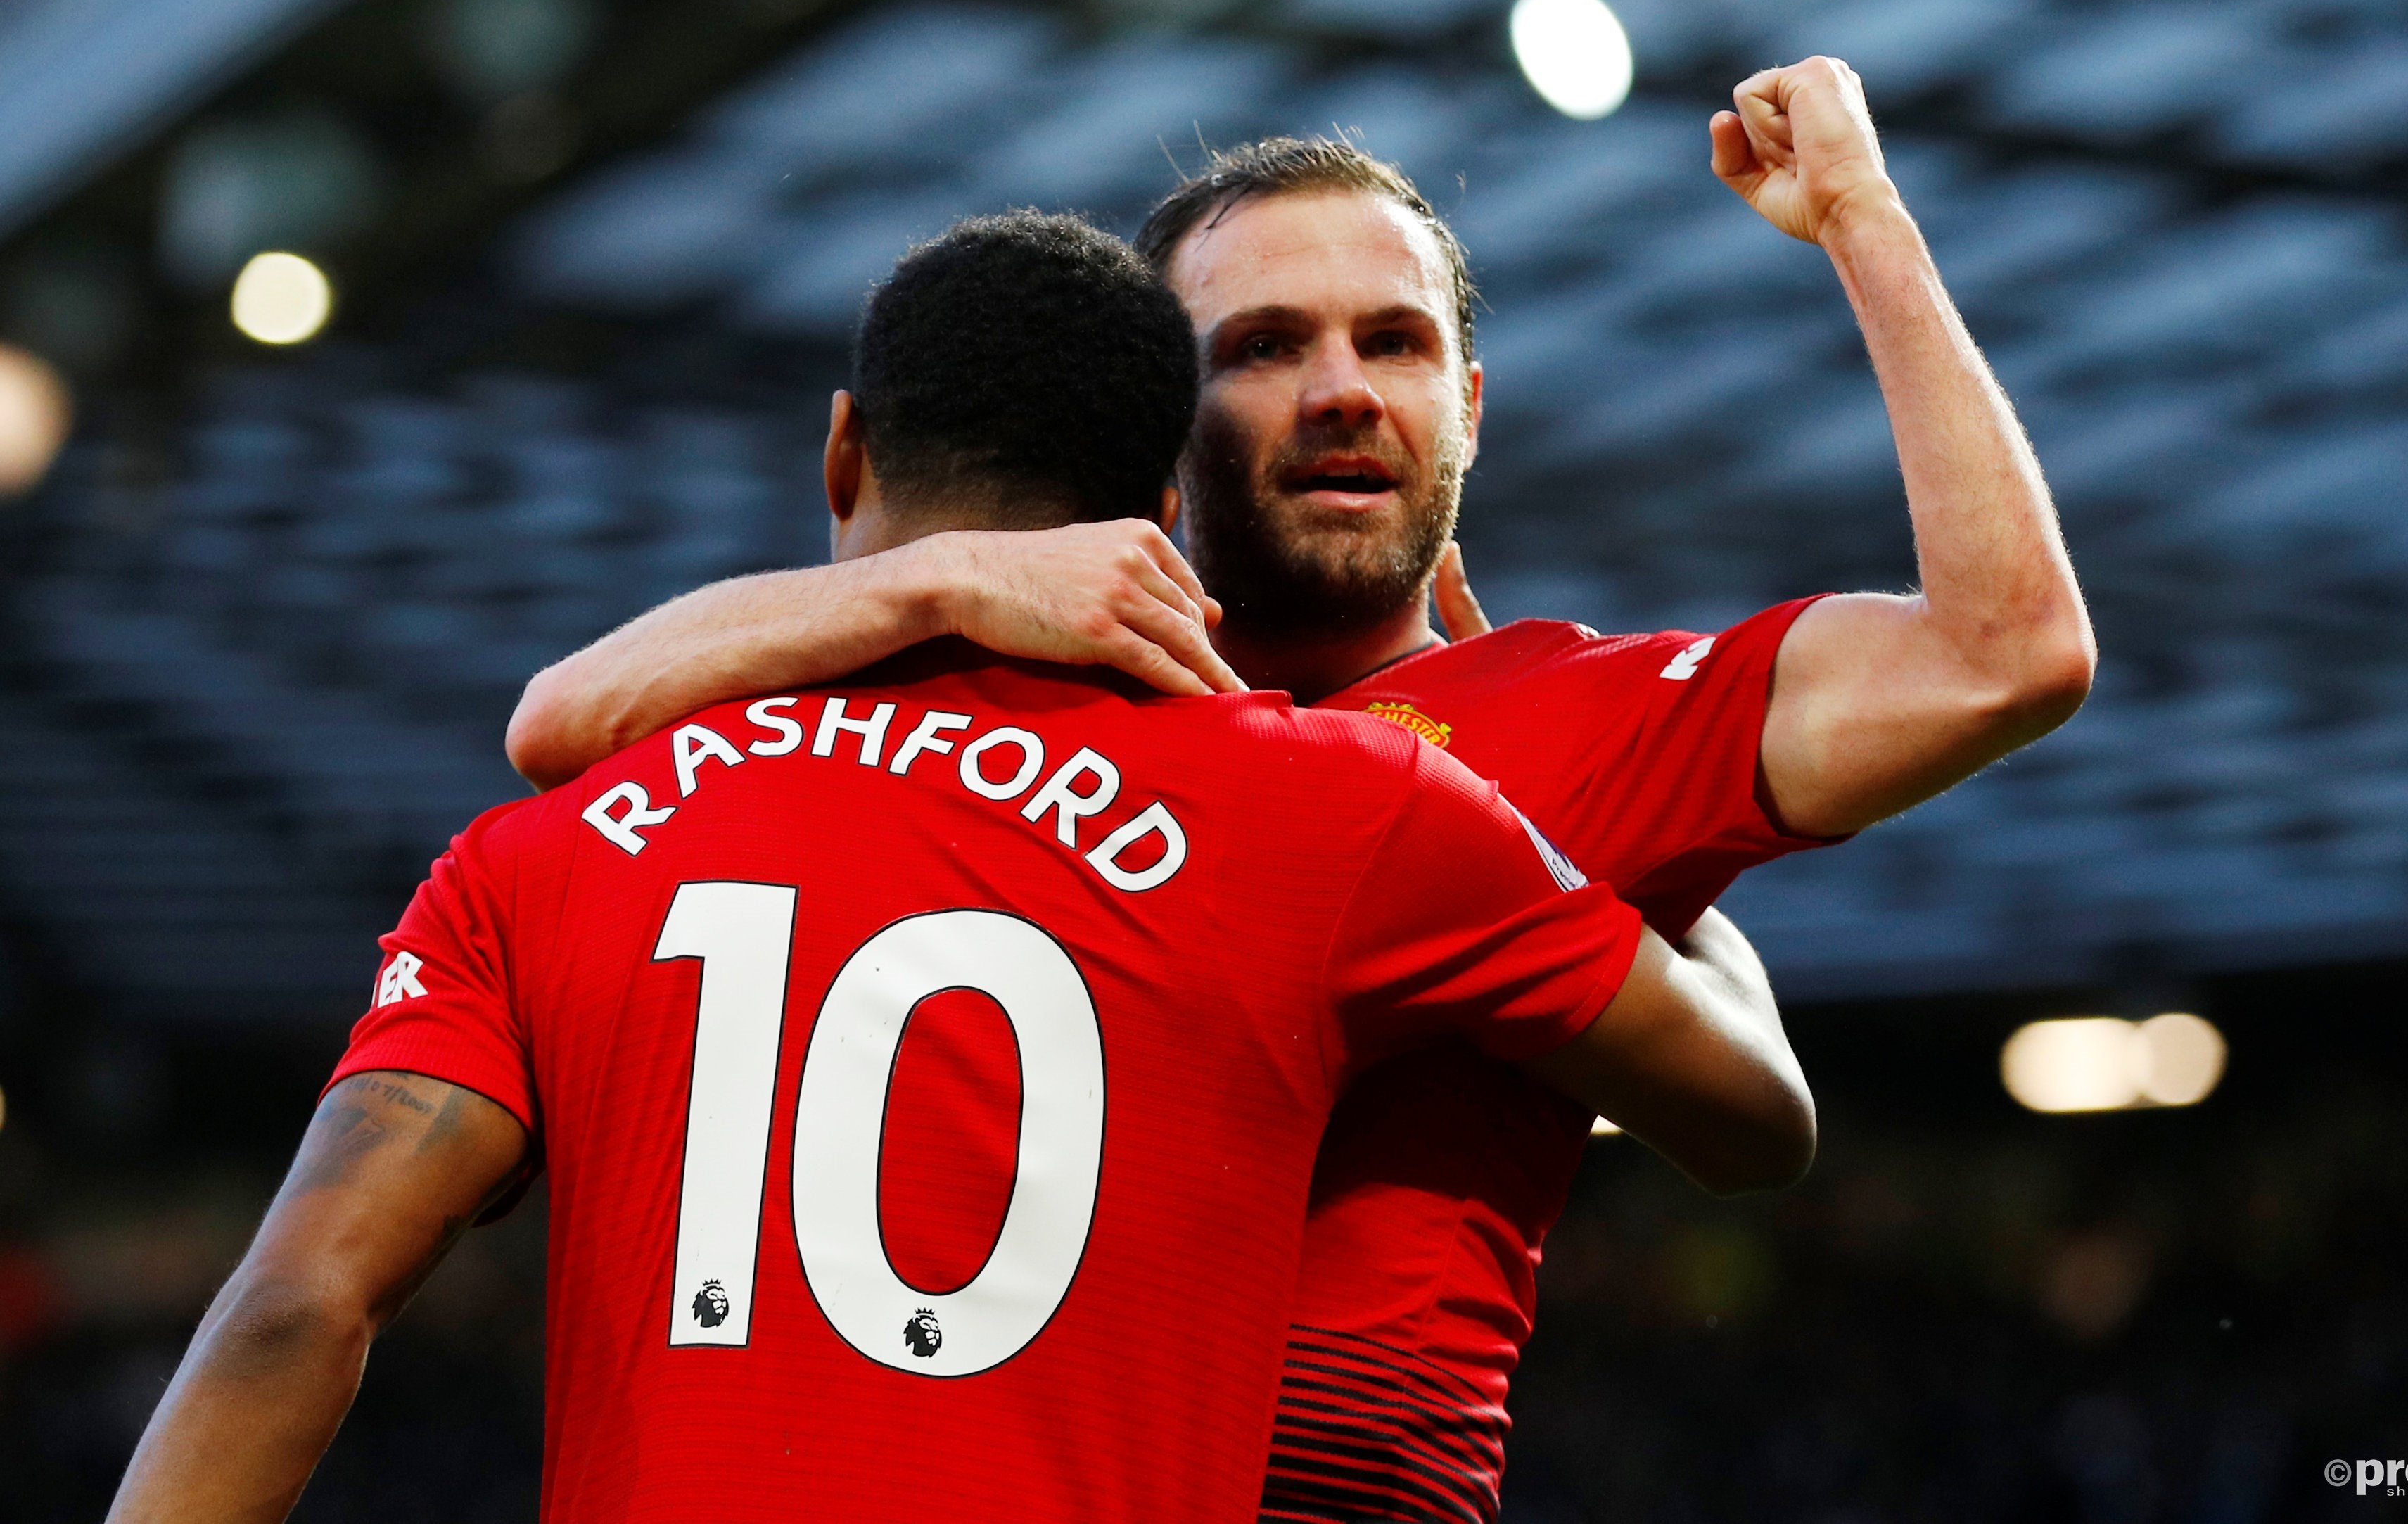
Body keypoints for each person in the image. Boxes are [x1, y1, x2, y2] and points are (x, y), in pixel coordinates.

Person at [507, 57, 2094, 1519]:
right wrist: (939, 582)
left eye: (1392, 343)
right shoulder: (1008, 715)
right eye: (1262, 349)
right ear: (1159, 431)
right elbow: (571, 721)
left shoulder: (1573, 714)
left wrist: (1861, 220)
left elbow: (2004, 655)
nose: (1341, 388)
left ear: (1469, 406)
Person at [107, 214, 1814, 1524]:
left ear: (844, 454)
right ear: (1163, 495)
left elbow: (293, 1311)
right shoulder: (1345, 812)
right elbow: (1752, 1119)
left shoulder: (548, 852)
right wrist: (1599, 832)